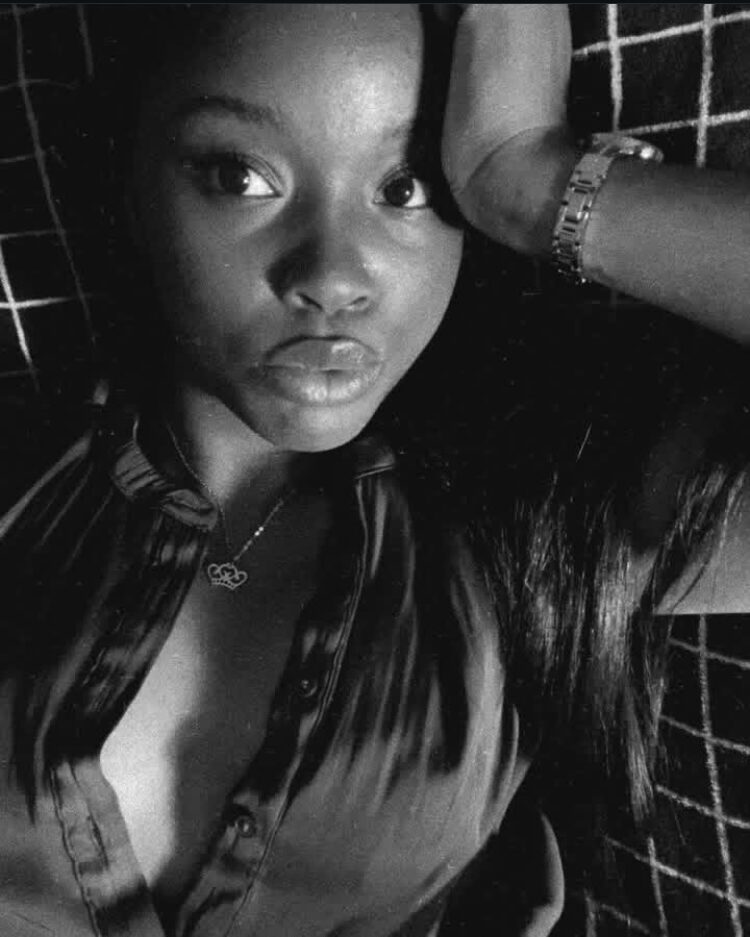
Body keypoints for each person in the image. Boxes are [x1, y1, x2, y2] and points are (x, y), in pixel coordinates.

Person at [1, 5, 749, 937]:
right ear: (130, 187)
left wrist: (527, 173)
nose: (333, 274)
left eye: (409, 187)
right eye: (240, 176)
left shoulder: (538, 528)